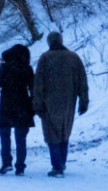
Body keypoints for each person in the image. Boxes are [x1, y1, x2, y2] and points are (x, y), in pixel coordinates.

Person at [32, 32, 89, 178]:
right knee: (64, 132)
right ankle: (61, 163)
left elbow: (38, 83)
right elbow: (82, 81)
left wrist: (37, 104)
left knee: (52, 134)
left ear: (49, 42)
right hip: (68, 102)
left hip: (49, 102)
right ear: (61, 41)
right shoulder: (73, 57)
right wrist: (83, 101)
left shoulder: (45, 58)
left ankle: (57, 166)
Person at [0, 44, 35, 176]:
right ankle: (20, 166)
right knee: (21, 138)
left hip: (6, 104)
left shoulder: (5, 68)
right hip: (23, 104)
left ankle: (6, 163)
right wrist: (34, 106)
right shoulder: (27, 69)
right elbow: (33, 89)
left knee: (5, 136)